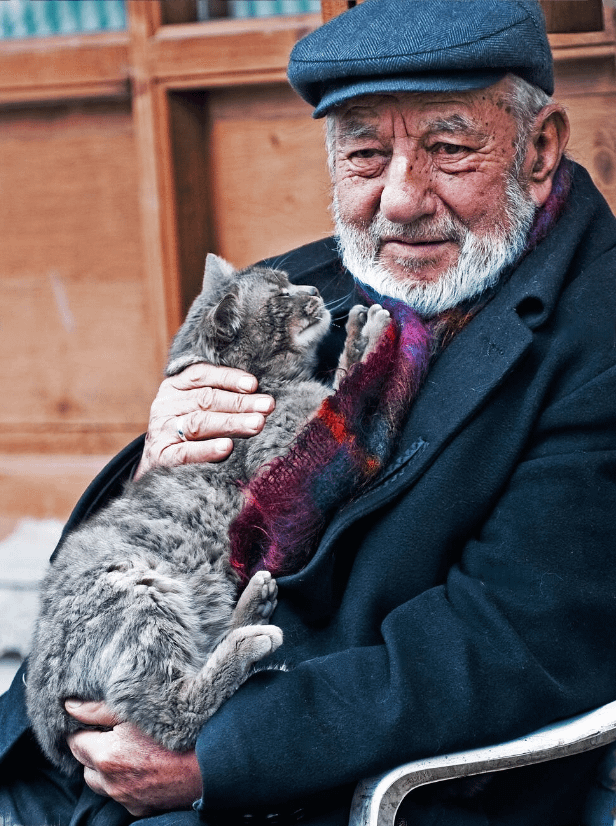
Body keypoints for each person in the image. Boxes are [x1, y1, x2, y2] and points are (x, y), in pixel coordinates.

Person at [2, 1, 616, 824]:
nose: (401, 200)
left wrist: (215, 757)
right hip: (101, 734)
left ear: (539, 151)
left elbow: (510, 639)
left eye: (447, 149)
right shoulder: (311, 286)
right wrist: (159, 467)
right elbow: (157, 537)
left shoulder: (599, 334)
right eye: (366, 154)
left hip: (317, 780)